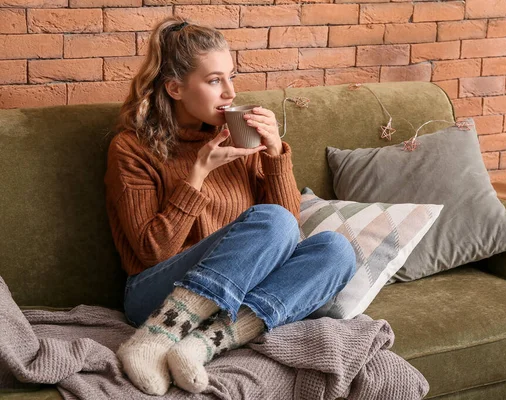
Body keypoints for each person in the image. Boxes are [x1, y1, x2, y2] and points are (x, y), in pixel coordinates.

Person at [104, 16, 357, 396]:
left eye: (231, 77)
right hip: (154, 295)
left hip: (234, 297)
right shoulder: (131, 148)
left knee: (337, 250)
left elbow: (290, 230)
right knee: (271, 220)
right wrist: (197, 175)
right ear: (175, 88)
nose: (230, 93)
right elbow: (150, 252)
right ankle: (154, 339)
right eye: (214, 80)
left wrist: (273, 156)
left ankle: (202, 345)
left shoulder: (238, 137)